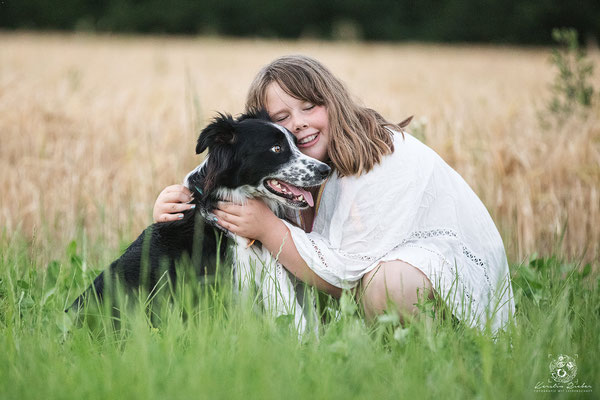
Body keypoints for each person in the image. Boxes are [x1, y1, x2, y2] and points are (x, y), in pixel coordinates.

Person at [153, 55, 514, 332]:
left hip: (438, 269)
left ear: (334, 102)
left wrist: (268, 229)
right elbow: (222, 183)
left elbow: (345, 275)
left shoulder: (383, 156)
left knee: (386, 287)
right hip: (366, 275)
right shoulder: (292, 168)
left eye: (310, 107)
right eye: (281, 118)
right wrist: (179, 202)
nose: (298, 123)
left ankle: (430, 347)